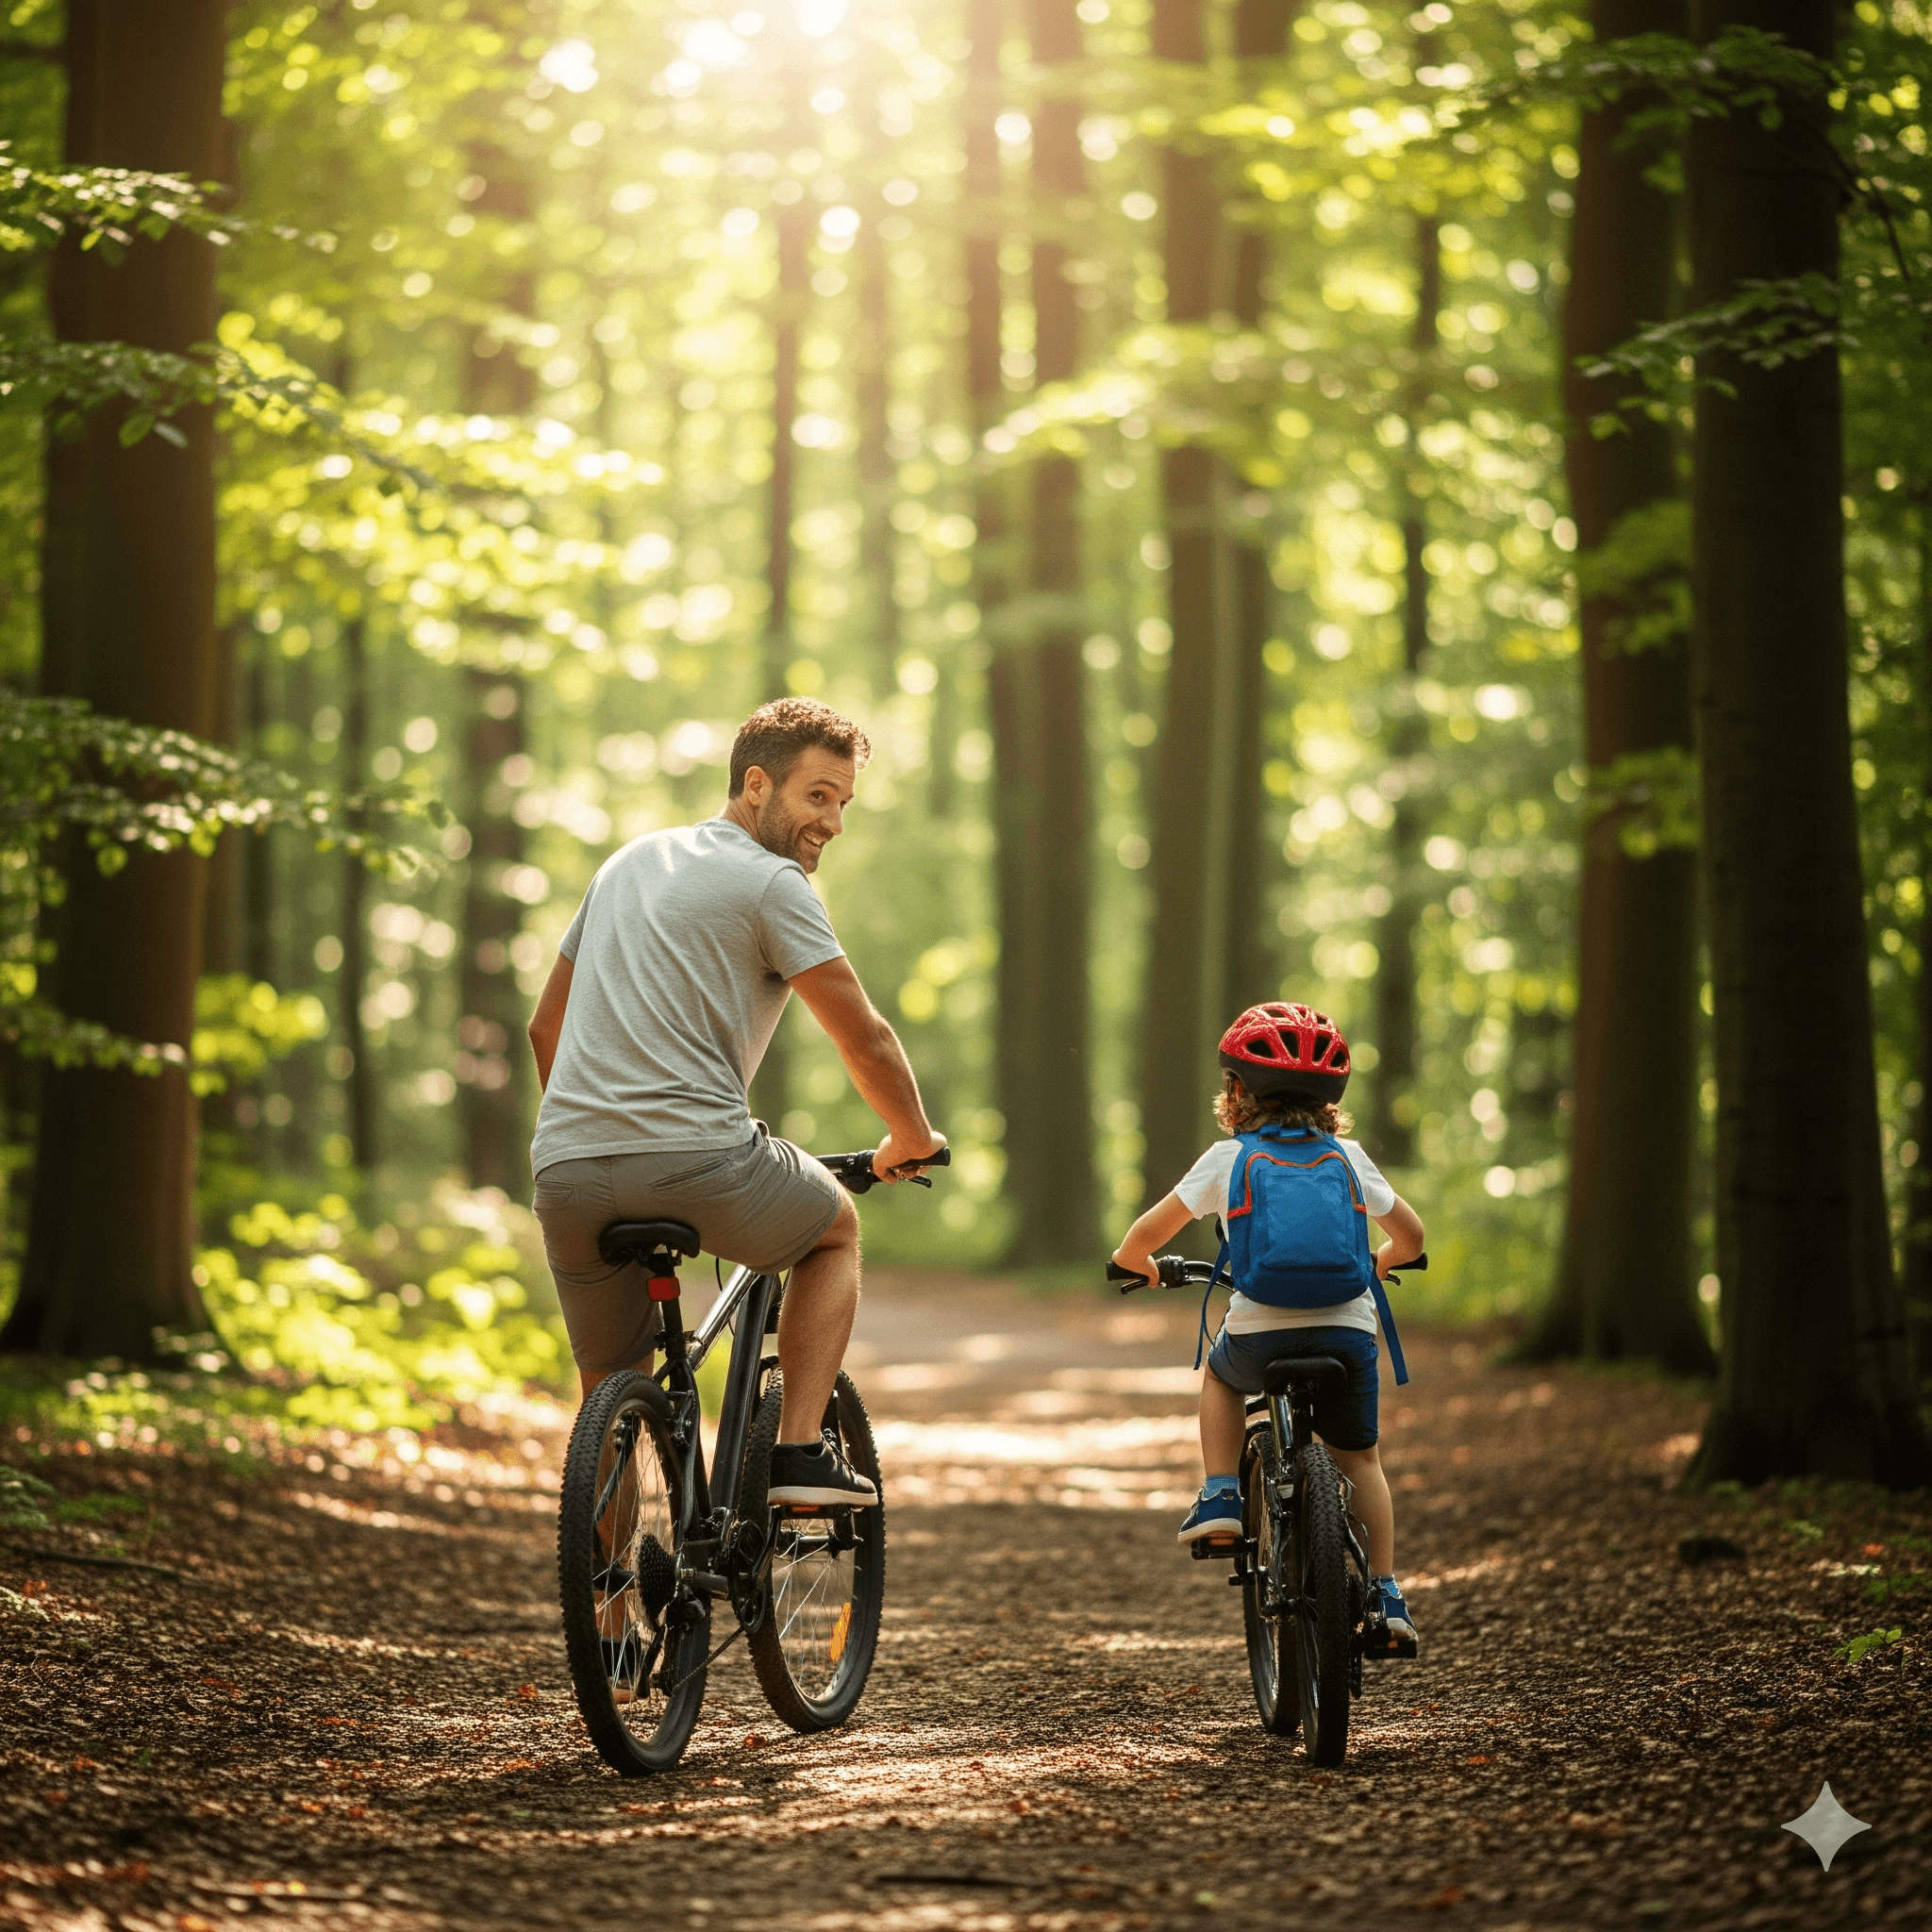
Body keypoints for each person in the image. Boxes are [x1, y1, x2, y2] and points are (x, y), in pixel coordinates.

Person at [525, 696, 945, 1509]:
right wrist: (911, 1136)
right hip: (697, 1159)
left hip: (567, 1169)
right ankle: (796, 1454)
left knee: (610, 1395)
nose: (833, 820)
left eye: (844, 802)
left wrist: (601, 1126)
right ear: (756, 784)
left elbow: (546, 1027)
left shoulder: (626, 864)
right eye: (817, 795)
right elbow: (864, 1036)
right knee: (832, 1232)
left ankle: (610, 1622)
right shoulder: (770, 882)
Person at [1110, 1001, 1425, 1655]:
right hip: (1348, 1332)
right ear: (1331, 1101)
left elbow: (1144, 1236)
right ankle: (1389, 1593)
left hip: (1260, 1333)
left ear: (1235, 1092)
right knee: (1361, 1458)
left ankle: (1223, 1496)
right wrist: (1381, 1262)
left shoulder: (1230, 1158)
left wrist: (1139, 1267)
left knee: (1222, 1380)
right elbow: (1413, 1237)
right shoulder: (1350, 1157)